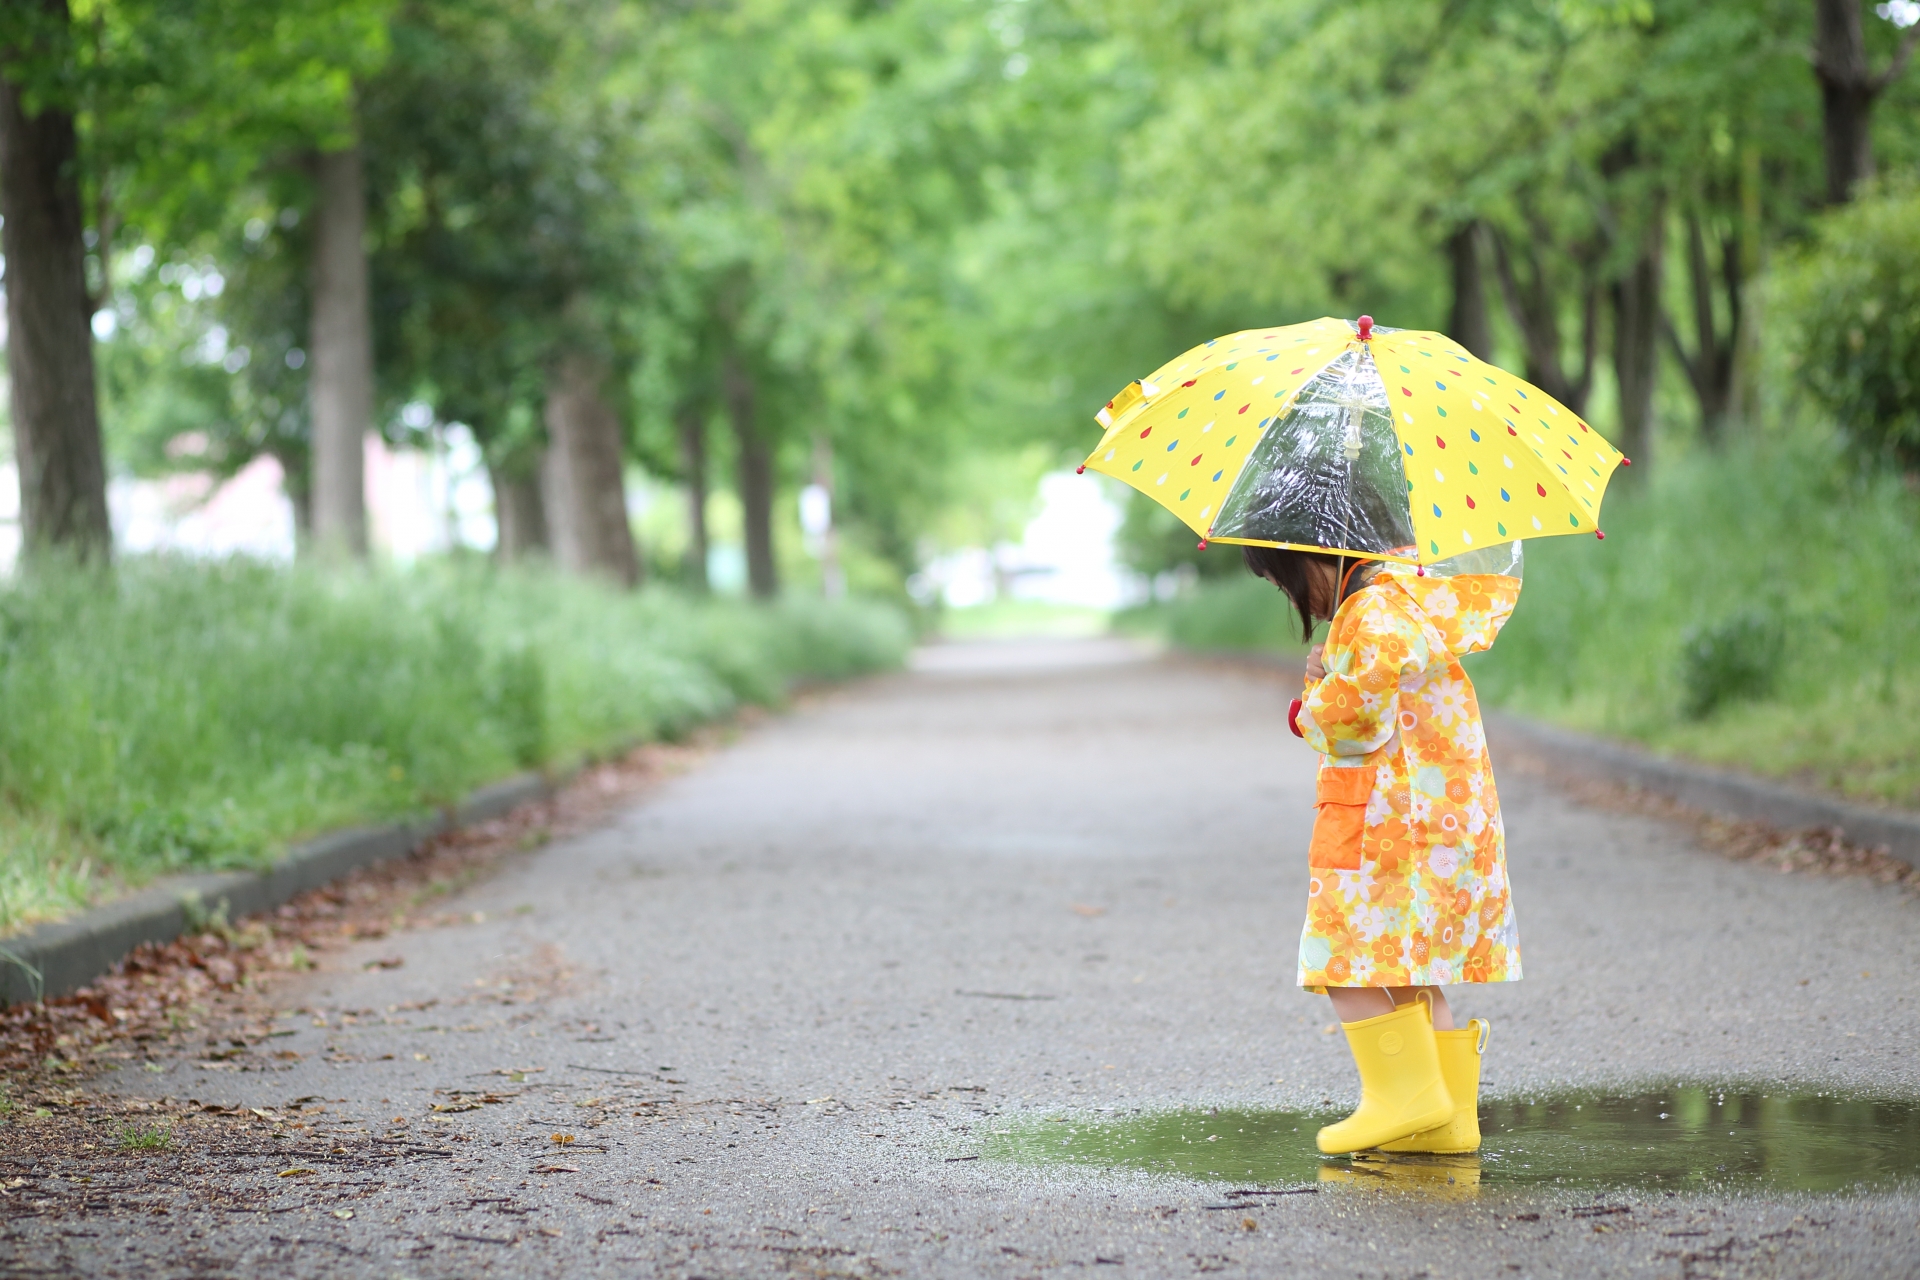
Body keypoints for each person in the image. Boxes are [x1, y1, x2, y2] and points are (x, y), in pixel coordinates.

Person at [1246, 543, 1522, 1156]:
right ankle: (1448, 1121)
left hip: (1390, 824)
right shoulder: (1404, 598)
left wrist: (1312, 697)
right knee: (1411, 974)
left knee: (1343, 956)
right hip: (1430, 817)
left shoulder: (1372, 612)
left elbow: (1353, 722)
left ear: (1309, 560)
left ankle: (1406, 1097)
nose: (1292, 598)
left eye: (1283, 581)